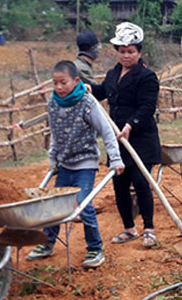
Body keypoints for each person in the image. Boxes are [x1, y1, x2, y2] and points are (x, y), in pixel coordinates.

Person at [26, 61, 125, 267]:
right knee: (55, 204)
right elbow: (55, 135)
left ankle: (95, 248)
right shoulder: (53, 104)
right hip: (64, 163)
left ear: (76, 81)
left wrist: (115, 158)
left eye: (63, 82)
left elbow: (107, 131)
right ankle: (47, 243)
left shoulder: (87, 103)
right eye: (55, 83)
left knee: (82, 202)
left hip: (85, 162)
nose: (59, 87)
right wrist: (53, 160)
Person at [90, 22, 162, 248]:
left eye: (131, 51)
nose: (126, 55)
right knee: (119, 184)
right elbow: (103, 91)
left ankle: (149, 229)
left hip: (140, 137)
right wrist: (88, 88)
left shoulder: (147, 77)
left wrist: (131, 124)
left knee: (141, 182)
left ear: (139, 52)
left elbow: (147, 107)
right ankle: (129, 228)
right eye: (122, 51)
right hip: (117, 138)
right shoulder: (113, 74)